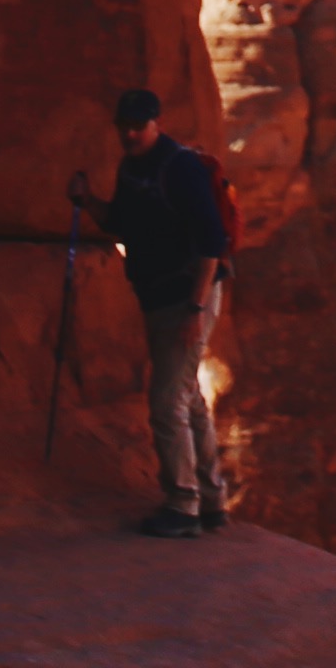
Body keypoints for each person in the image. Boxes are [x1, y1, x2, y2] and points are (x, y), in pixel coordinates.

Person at [75, 84, 232, 534]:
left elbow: (211, 242)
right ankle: (211, 501)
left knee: (166, 403)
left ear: (155, 122)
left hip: (187, 297)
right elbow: (120, 223)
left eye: (137, 127)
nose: (129, 135)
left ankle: (183, 506)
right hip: (158, 297)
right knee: (189, 399)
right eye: (123, 128)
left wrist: (196, 308)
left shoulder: (180, 167)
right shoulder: (132, 169)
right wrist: (87, 200)